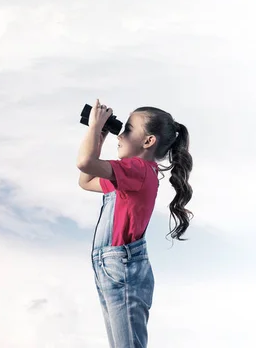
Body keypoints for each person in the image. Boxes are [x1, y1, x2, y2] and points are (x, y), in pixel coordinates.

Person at [76, 99, 193, 347]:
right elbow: (86, 181)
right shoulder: (131, 174)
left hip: (123, 270)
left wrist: (95, 127)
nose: (120, 134)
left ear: (148, 141)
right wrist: (99, 138)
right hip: (113, 269)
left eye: (127, 129)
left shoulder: (138, 169)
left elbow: (85, 163)